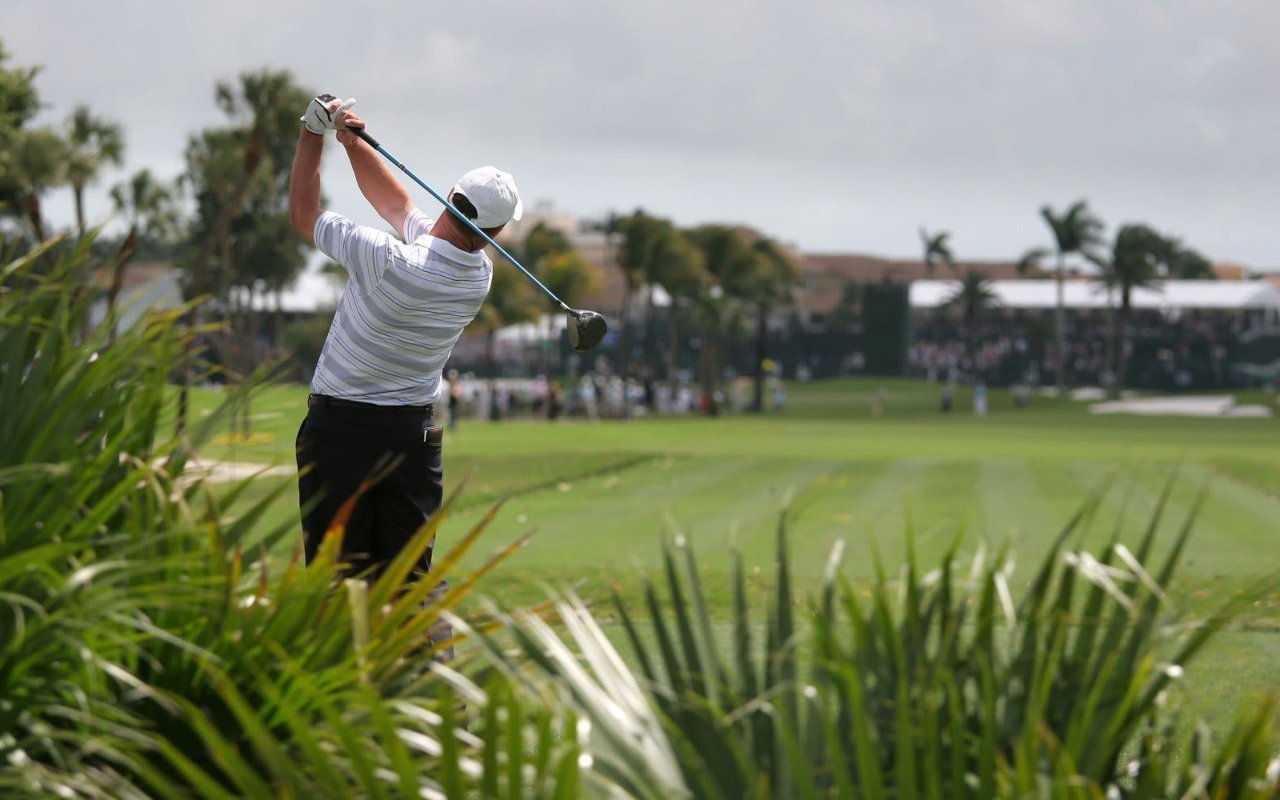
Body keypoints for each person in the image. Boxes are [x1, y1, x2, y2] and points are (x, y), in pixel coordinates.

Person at [288, 94, 522, 604]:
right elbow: (397, 207)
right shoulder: (476, 275)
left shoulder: (386, 259)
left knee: (337, 586)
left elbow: (305, 215)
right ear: (496, 233)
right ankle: (426, 678)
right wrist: (352, 146)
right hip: (409, 440)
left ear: (450, 197)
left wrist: (312, 134)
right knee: (408, 586)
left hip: (339, 435)